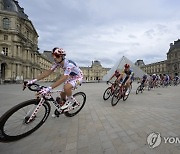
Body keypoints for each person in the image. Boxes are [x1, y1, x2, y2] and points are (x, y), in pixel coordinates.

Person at [25, 47, 83, 115]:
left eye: (57, 55)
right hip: (70, 77)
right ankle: (63, 104)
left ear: (62, 56)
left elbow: (64, 78)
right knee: (62, 94)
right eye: (53, 55)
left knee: (66, 87)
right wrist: (32, 81)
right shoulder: (57, 63)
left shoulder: (69, 65)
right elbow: (48, 72)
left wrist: (49, 88)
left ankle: (72, 102)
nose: (55, 57)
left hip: (78, 77)